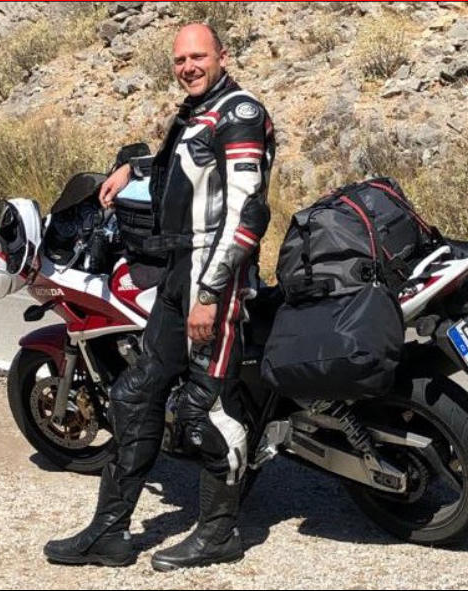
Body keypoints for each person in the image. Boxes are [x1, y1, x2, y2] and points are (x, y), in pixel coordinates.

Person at [43, 22, 275, 570]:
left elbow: (247, 214)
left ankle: (219, 533)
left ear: (222, 56)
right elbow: (186, 167)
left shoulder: (240, 114)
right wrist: (131, 168)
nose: (188, 67)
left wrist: (211, 293)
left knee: (206, 410)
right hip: (177, 271)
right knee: (133, 394)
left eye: (198, 57)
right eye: (180, 60)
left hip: (214, 277)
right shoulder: (198, 113)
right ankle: (109, 532)